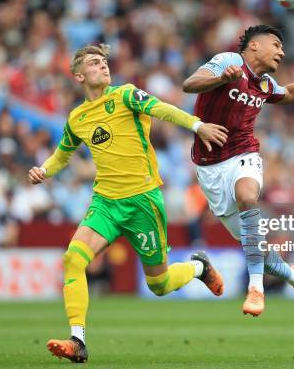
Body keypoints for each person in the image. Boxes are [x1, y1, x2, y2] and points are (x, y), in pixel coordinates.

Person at [28, 43, 227, 363]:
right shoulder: (77, 117)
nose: (103, 66)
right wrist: (44, 170)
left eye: (105, 62)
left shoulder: (126, 95)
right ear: (79, 75)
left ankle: (199, 266)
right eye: (95, 63)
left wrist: (197, 124)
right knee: (73, 259)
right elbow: (62, 154)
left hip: (142, 201)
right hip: (105, 201)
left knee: (159, 284)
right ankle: (77, 340)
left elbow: (162, 108)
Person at [182, 25, 294, 316]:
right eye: (276, 45)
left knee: (246, 195)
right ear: (254, 45)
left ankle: (256, 289)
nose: (281, 51)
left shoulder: (264, 83)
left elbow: (289, 93)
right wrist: (220, 78)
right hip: (209, 168)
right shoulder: (229, 62)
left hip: (244, 153)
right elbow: (189, 84)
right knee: (258, 248)